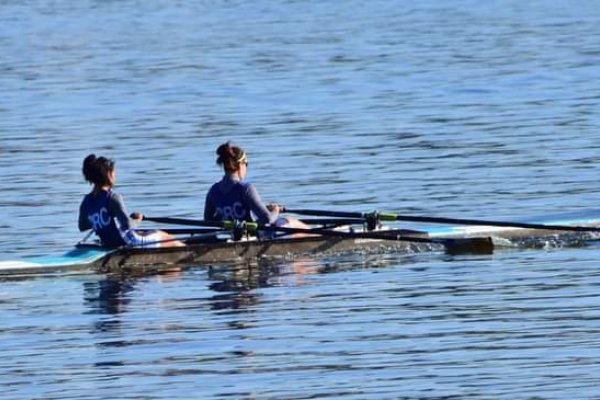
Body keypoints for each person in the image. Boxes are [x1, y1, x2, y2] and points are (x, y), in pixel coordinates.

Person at [204, 141, 311, 237]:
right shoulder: (246, 188)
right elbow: (268, 220)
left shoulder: (213, 191)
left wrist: (227, 217)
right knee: (289, 221)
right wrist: (275, 210)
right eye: (246, 164)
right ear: (240, 165)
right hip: (254, 236)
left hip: (231, 235)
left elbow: (208, 221)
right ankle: (317, 239)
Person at [78, 154, 185, 248]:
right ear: (107, 174)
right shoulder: (113, 198)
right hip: (129, 242)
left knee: (145, 232)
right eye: (114, 172)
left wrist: (101, 222)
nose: (115, 176)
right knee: (165, 236)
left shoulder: (86, 202)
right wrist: (138, 219)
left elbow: (82, 226)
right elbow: (129, 225)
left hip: (108, 243)